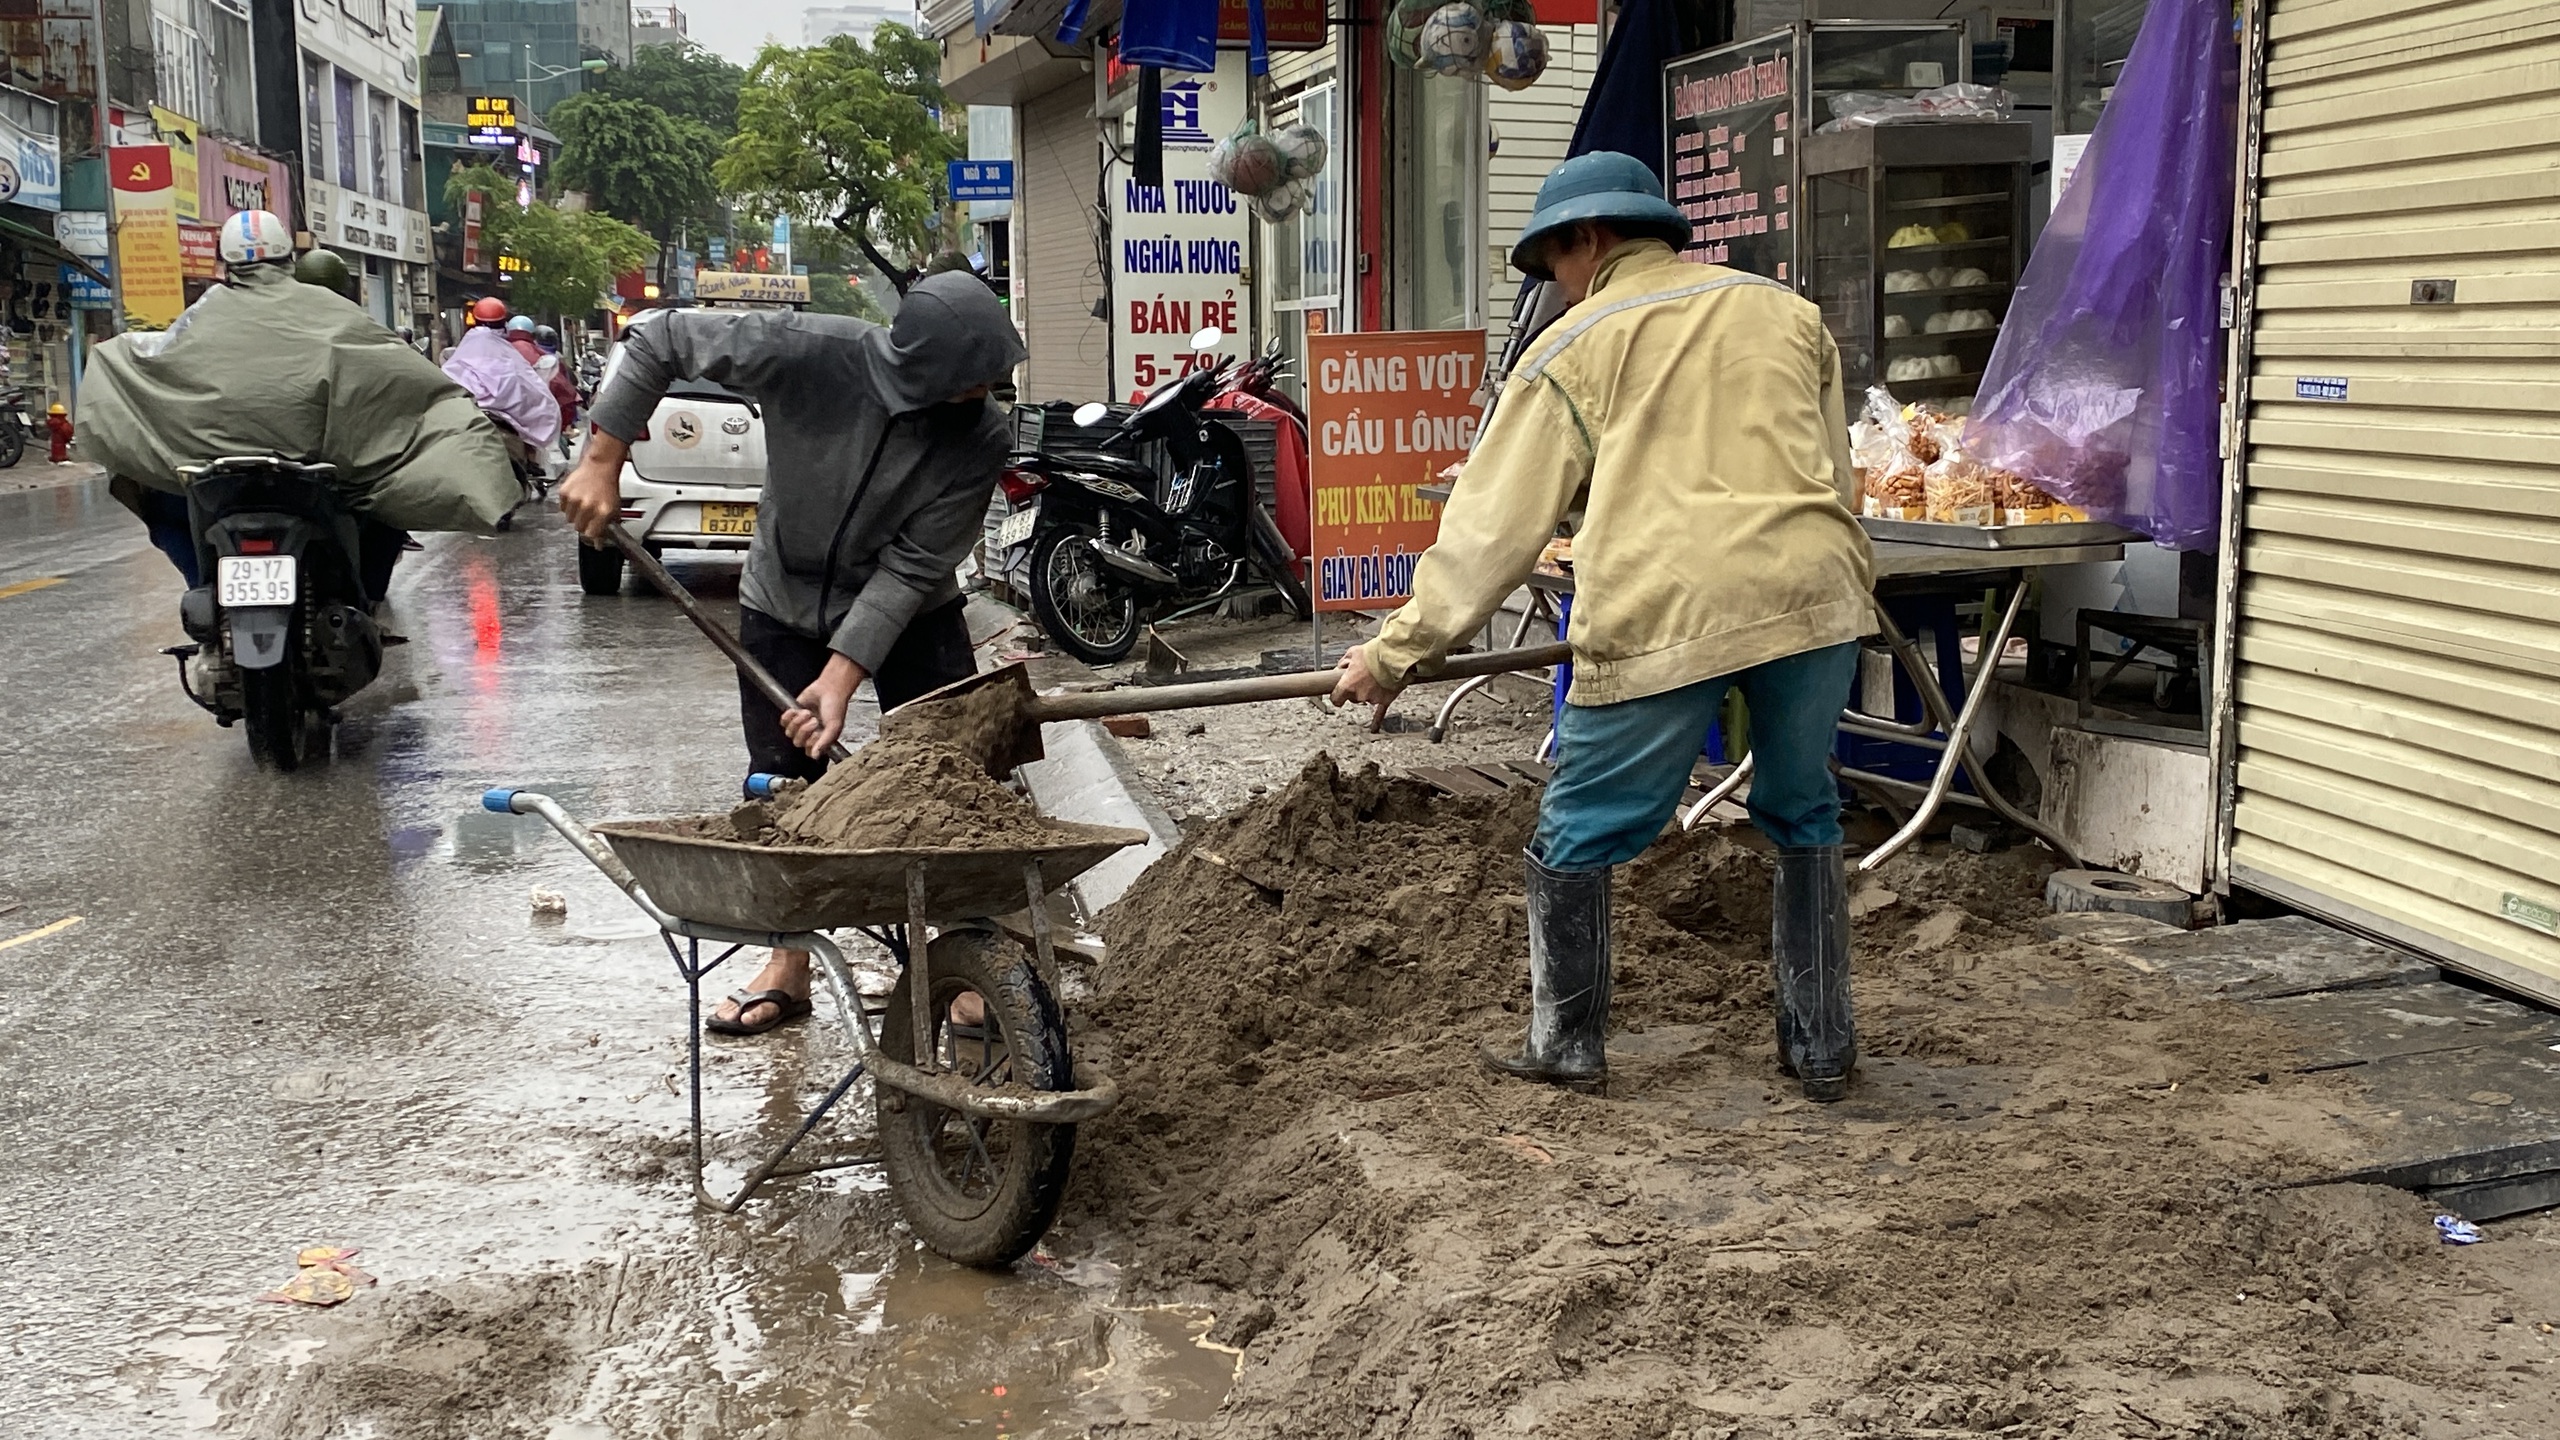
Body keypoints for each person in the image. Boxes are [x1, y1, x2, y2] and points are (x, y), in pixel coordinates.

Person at [1329, 152, 1877, 1100]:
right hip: (1813, 593)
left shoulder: (1577, 341)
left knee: (1579, 828)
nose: (1556, 286)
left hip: (1671, 604)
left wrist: (1396, 652)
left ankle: (1567, 1041)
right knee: (1805, 810)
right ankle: (1821, 1047)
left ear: (1588, 239)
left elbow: (1494, 526)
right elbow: (1835, 472)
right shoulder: (1786, 312)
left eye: (1554, 265)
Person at [557, 273, 1026, 1036]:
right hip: (782, 595)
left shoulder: (982, 437)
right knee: (779, 785)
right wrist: (603, 459)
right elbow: (661, 336)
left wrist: (841, 676)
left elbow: (912, 567)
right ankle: (790, 961)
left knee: (955, 772)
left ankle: (969, 942)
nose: (981, 399)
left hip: (914, 610)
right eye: (966, 386)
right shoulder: (811, 354)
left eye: (988, 384)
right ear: (916, 372)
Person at [82, 210, 516, 602]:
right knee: (384, 504)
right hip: (311, 477)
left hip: (217, 478)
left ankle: (203, 588)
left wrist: (112, 366)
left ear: (224, 265)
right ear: (290, 259)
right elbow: (407, 382)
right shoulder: (332, 312)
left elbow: (154, 359)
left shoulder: (200, 314)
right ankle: (359, 599)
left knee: (159, 502)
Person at [441, 298, 560, 450]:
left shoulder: (464, 350)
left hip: (466, 415)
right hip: (495, 418)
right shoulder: (508, 354)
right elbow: (528, 389)